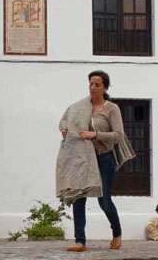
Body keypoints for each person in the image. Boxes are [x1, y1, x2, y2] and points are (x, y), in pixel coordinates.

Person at [55, 70, 127, 252]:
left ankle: (117, 233)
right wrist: (65, 129)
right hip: (82, 159)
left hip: (104, 158)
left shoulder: (111, 109)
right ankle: (80, 241)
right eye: (91, 84)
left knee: (104, 201)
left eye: (97, 85)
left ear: (105, 87)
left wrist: (94, 134)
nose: (93, 88)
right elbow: (66, 120)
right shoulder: (80, 107)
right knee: (79, 197)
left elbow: (118, 135)